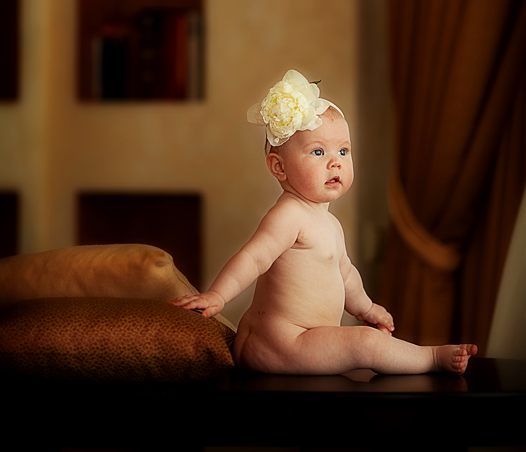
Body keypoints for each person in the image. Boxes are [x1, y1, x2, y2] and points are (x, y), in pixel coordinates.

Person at [172, 70, 477, 375]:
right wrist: (218, 296)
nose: (335, 162)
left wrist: (366, 308)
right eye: (318, 152)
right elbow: (253, 258)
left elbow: (345, 274)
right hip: (283, 340)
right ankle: (431, 358)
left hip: (302, 339)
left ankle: (418, 354)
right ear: (279, 168)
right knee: (366, 344)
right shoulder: (289, 215)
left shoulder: (329, 223)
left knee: (366, 337)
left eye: (343, 150)